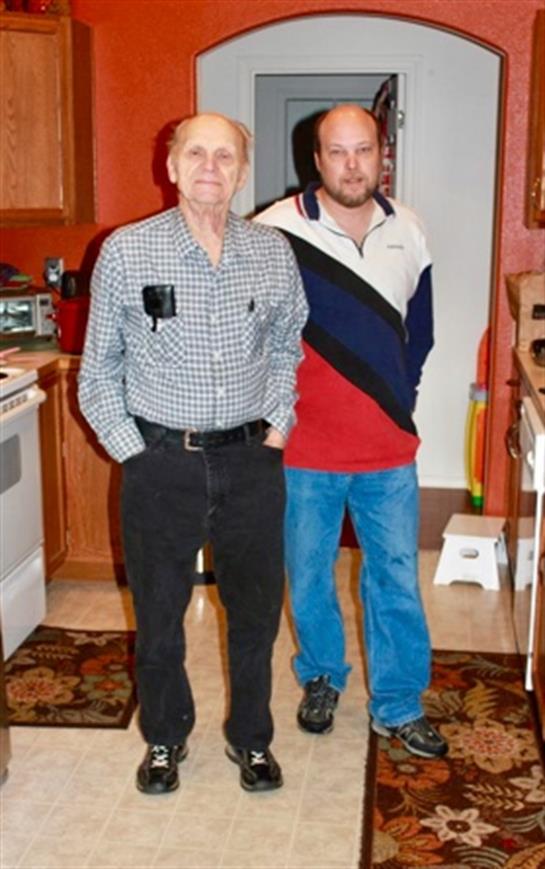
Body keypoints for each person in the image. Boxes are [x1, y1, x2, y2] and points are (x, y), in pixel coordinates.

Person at [78, 112, 308, 793]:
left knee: (257, 612)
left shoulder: (271, 252)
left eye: (226, 155)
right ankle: (165, 737)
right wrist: (135, 454)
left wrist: (277, 430)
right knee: (157, 613)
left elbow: (289, 346)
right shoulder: (125, 251)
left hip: (251, 463)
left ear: (241, 171)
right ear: (171, 166)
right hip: (160, 463)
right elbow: (97, 372)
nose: (212, 166)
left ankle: (251, 738)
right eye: (197, 153)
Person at [256, 104, 448, 759]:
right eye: (336, 152)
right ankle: (320, 676)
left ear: (381, 152)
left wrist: (396, 398)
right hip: (303, 448)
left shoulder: (410, 229)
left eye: (362, 149)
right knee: (307, 572)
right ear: (315, 160)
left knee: (393, 576)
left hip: (387, 449)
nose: (351, 165)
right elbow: (251, 333)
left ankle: (397, 704)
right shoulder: (274, 229)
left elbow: (417, 334)